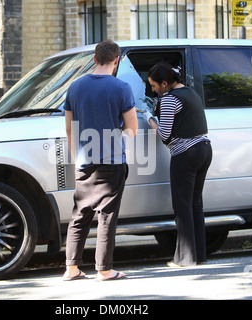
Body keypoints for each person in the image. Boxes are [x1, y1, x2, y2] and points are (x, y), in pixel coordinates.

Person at [63, 40, 138, 281]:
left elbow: (69, 129)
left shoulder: (74, 87)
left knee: (80, 213)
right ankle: (104, 269)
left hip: (84, 160)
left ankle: (71, 268)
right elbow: (132, 128)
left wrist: (77, 157)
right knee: (107, 216)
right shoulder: (122, 88)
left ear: (94, 59)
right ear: (116, 61)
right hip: (112, 160)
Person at [144, 61, 212, 267]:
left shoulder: (169, 99)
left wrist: (150, 119)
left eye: (155, 86)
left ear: (165, 83)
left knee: (182, 206)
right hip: (204, 149)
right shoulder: (190, 92)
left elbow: (165, 135)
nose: (153, 90)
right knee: (195, 204)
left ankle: (184, 259)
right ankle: (199, 255)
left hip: (185, 154)